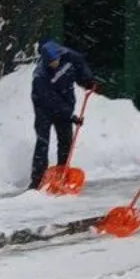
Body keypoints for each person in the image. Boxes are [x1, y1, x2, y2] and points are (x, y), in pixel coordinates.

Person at [29, 38, 98, 190]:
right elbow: (51, 103)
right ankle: (37, 180)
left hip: (65, 102)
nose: (55, 63)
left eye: (56, 59)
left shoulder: (67, 55)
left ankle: (62, 172)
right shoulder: (40, 76)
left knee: (66, 139)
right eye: (51, 62)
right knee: (43, 142)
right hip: (43, 109)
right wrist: (70, 116)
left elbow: (80, 63)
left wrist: (88, 79)